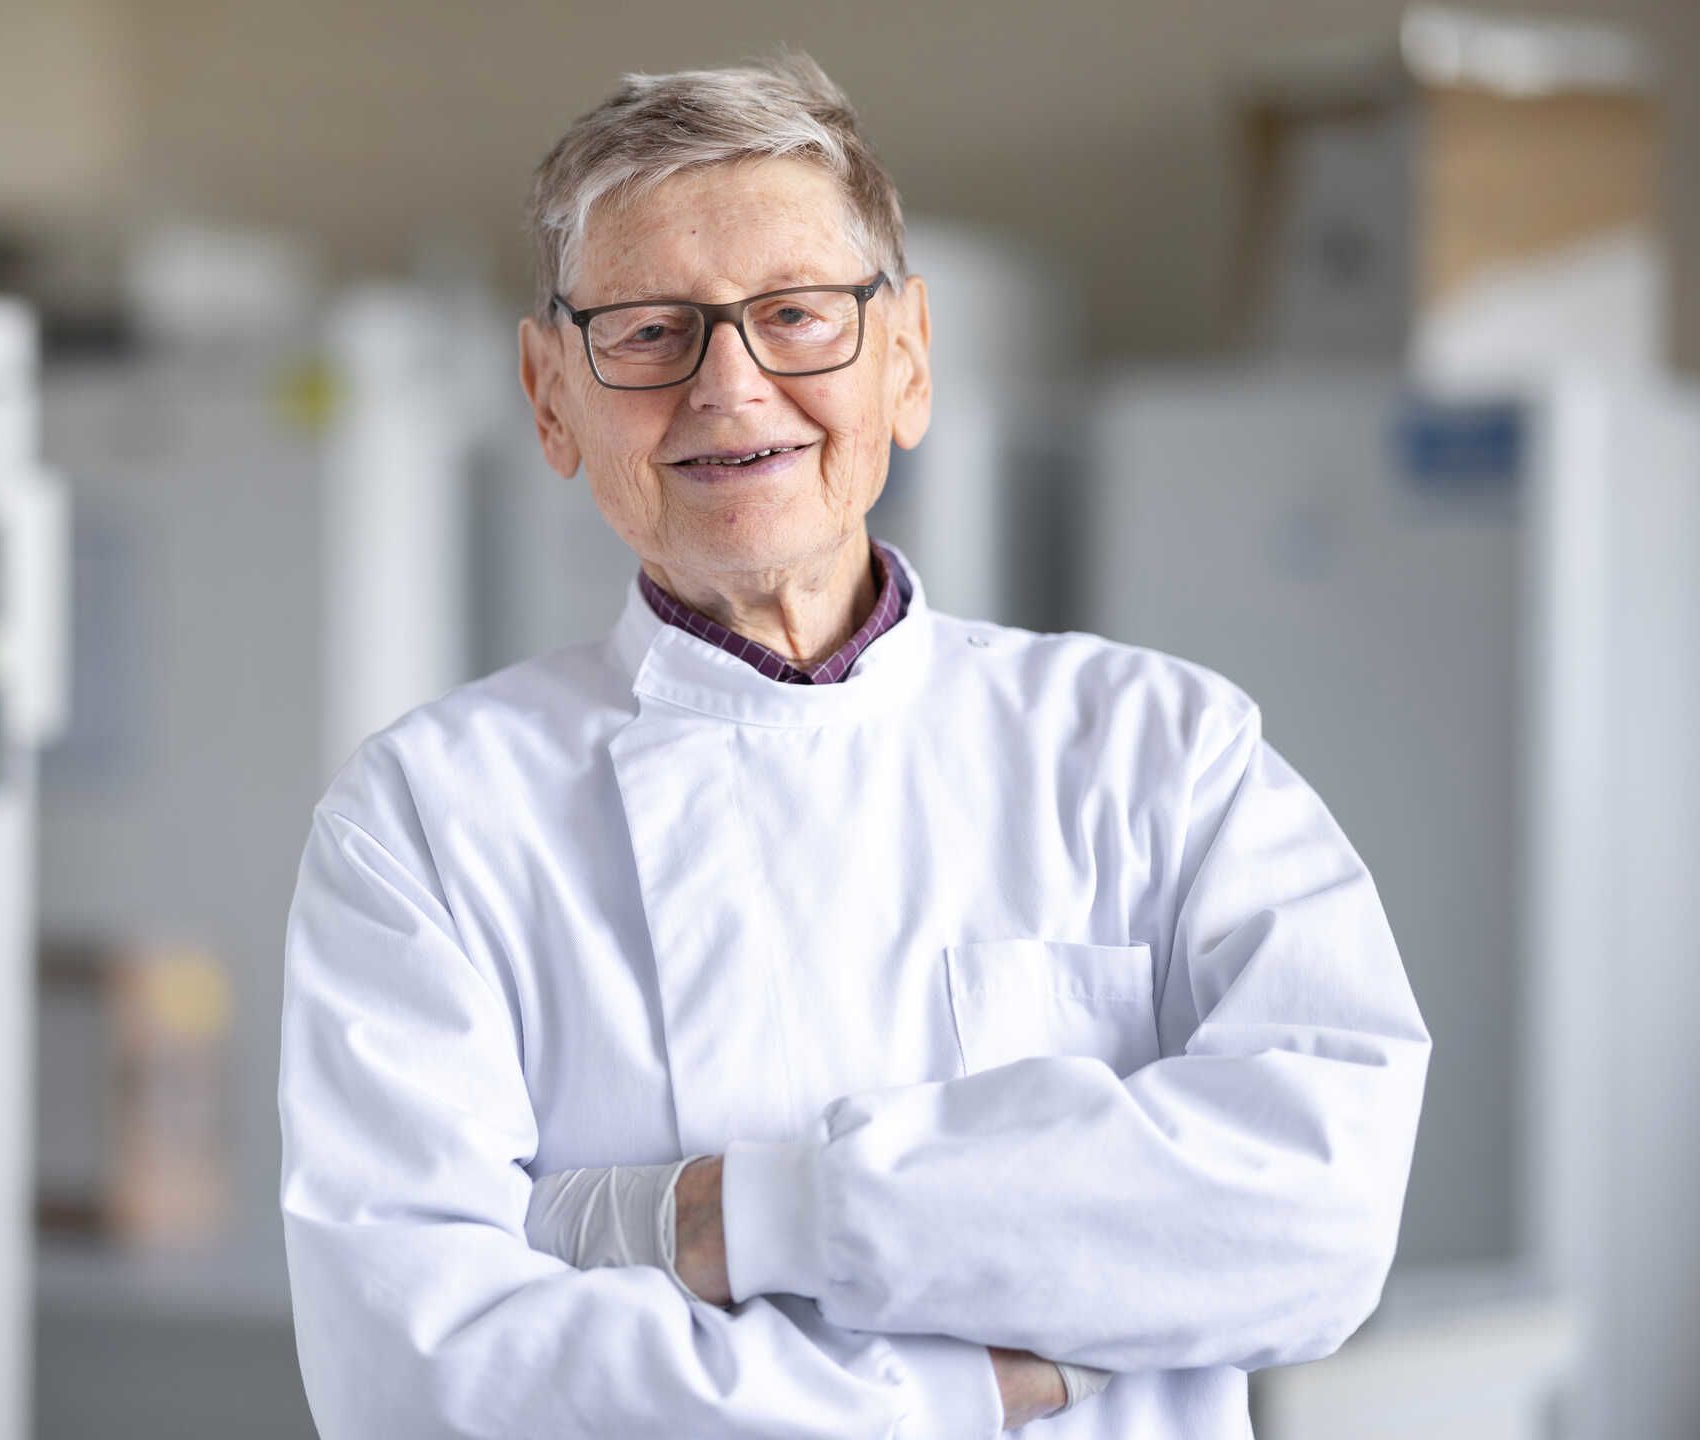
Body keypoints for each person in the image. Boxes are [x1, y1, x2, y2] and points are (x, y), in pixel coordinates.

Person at [277, 52, 1428, 1438]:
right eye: (647, 331)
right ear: (549, 396)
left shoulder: (1162, 755)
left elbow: (1315, 1213)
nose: (730, 385)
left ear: (909, 360)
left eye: (797, 315)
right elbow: (419, 1382)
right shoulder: (427, 819)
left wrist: (733, 1217)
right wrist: (956, 1388)